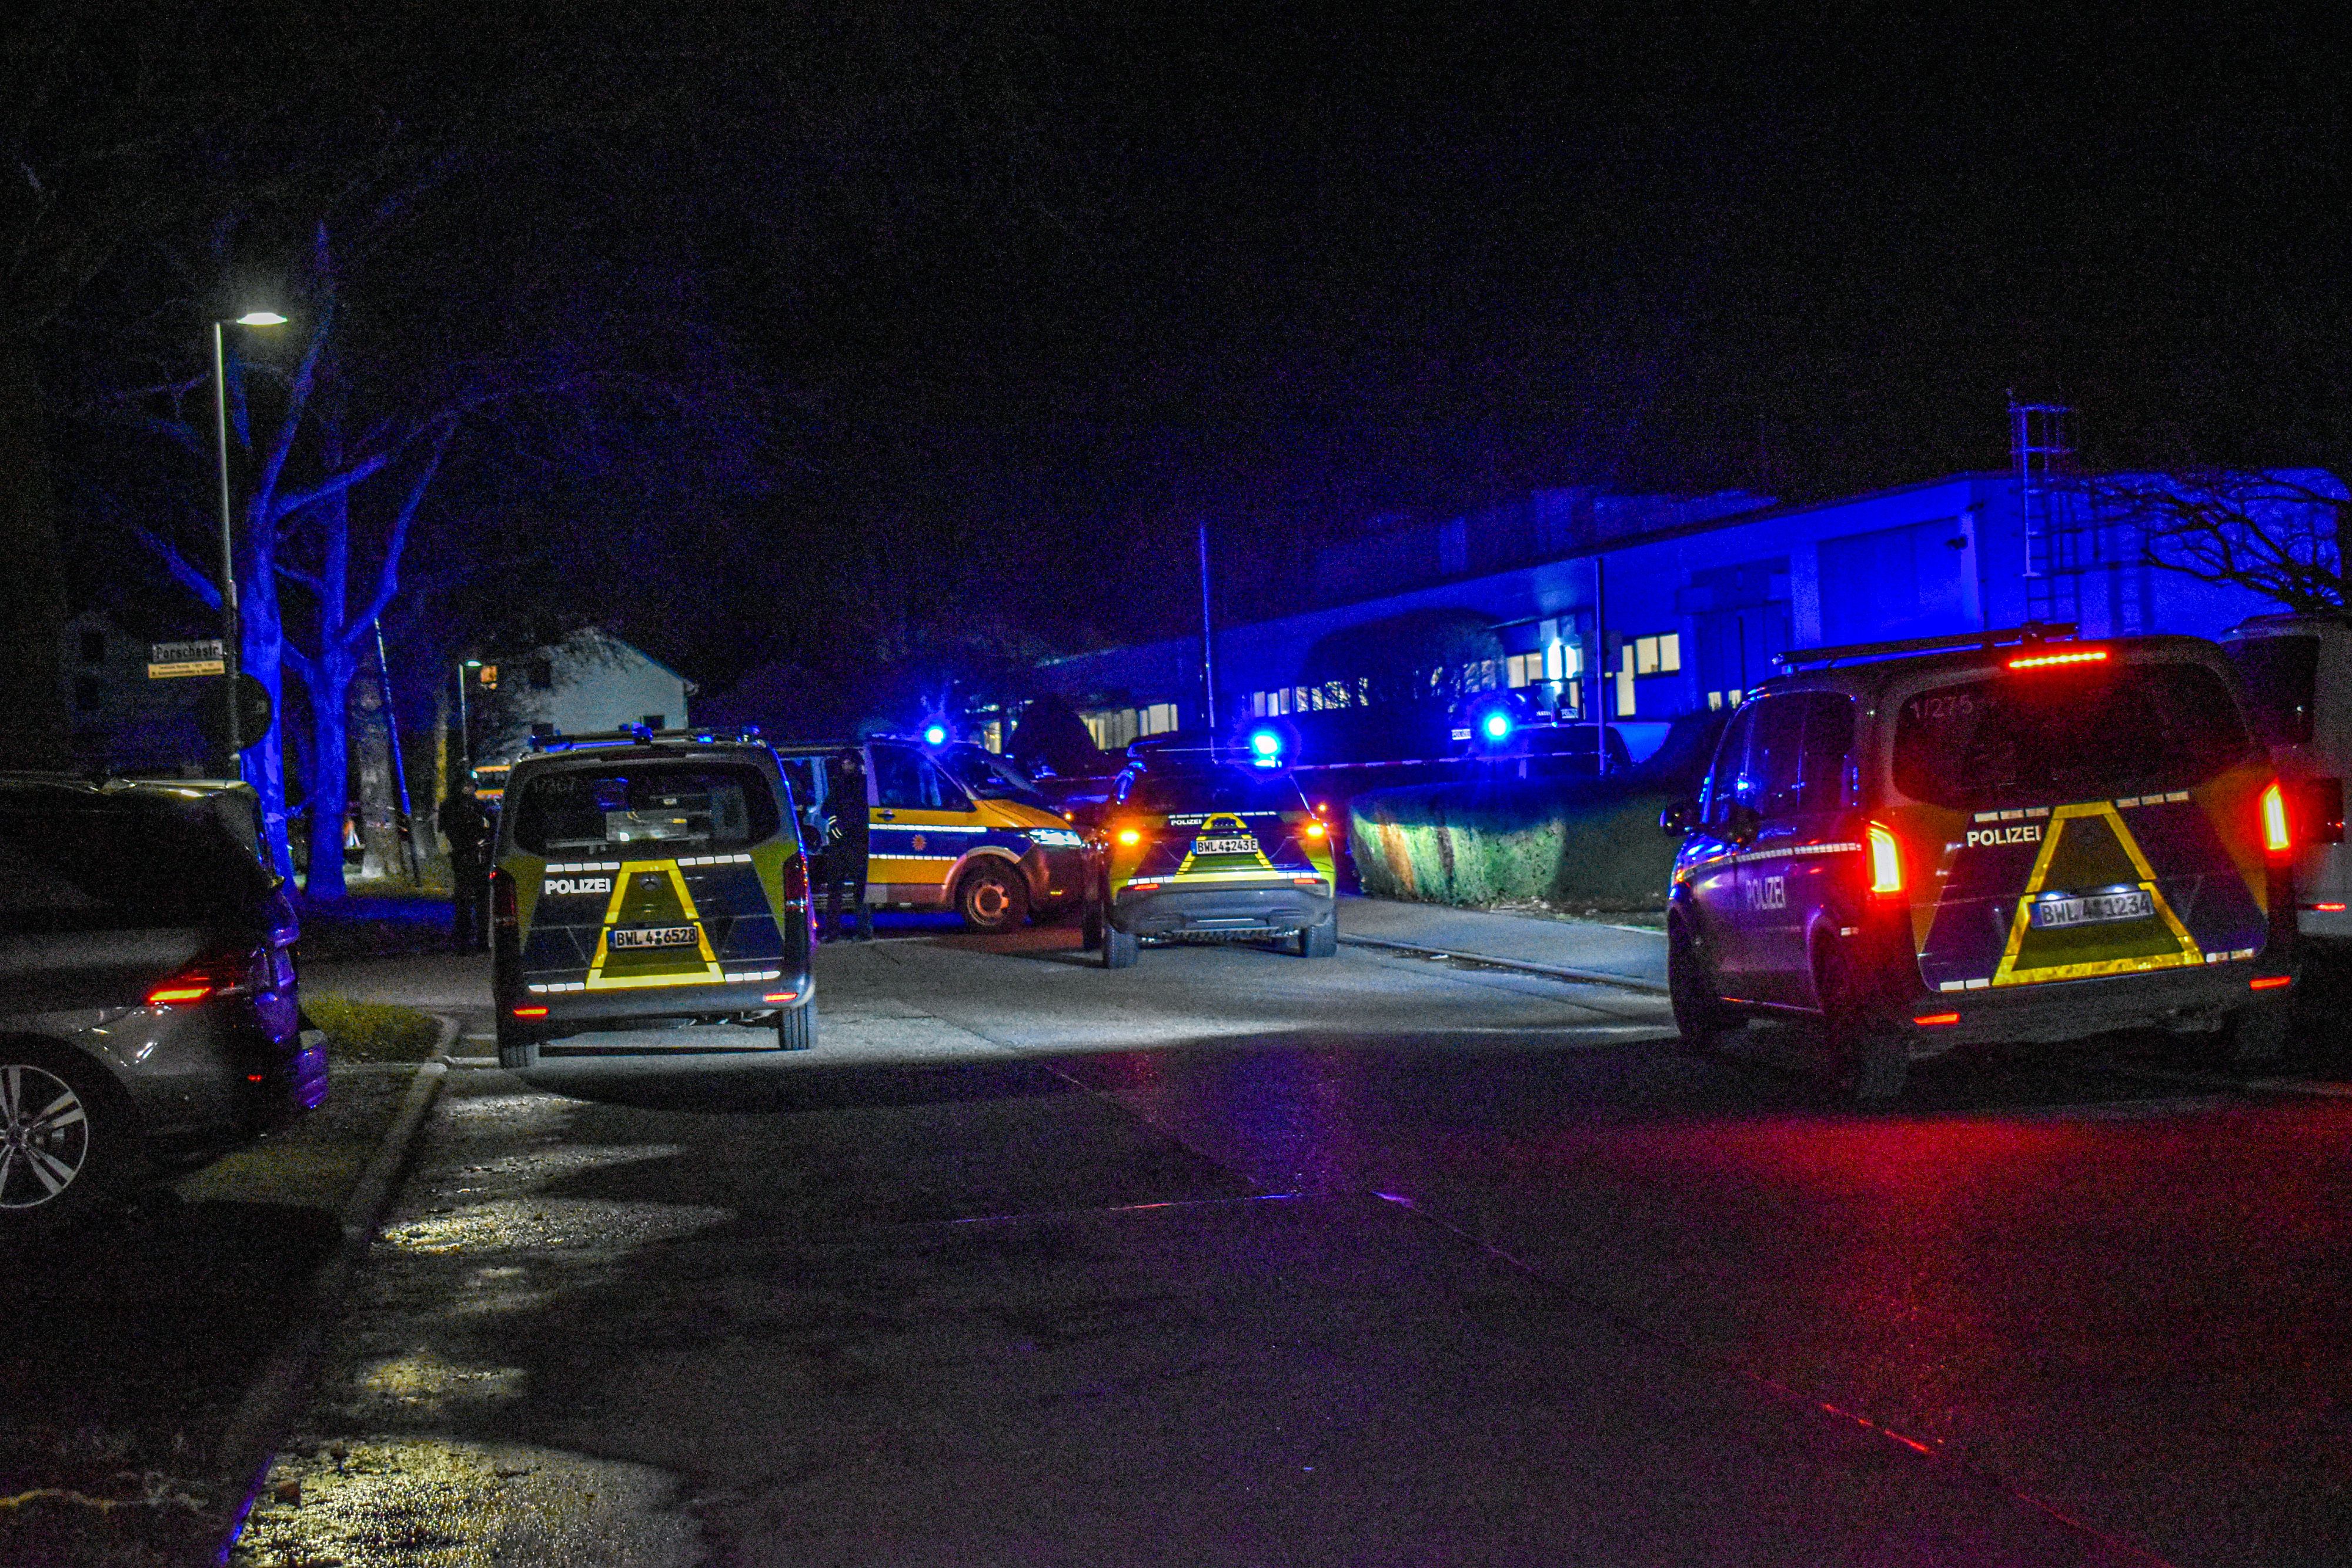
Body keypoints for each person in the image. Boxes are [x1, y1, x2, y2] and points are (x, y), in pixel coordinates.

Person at [820, 747, 870, 941]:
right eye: (843, 763)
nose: (846, 766)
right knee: (834, 890)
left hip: (858, 842)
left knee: (860, 890)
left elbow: (863, 813)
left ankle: (864, 932)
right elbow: (826, 809)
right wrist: (834, 821)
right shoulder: (838, 784)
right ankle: (832, 933)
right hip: (839, 845)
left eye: (849, 763)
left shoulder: (864, 786)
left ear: (857, 764)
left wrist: (844, 824)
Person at [438, 780, 493, 953]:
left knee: (465, 898)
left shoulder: (450, 806)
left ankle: (466, 941)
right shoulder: (479, 807)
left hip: (465, 856)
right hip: (474, 856)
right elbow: (490, 830)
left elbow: (443, 830)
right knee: (478, 898)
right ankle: (478, 940)